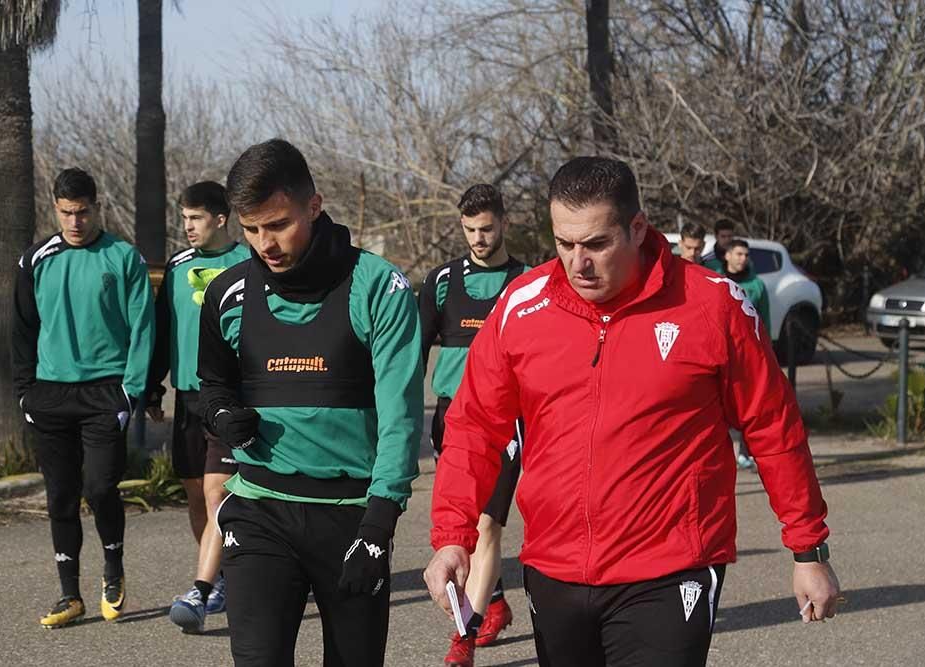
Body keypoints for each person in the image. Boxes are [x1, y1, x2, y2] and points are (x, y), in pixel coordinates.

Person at [424, 157, 840, 666]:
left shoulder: (712, 305)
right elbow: (474, 428)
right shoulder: (521, 305)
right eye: (564, 243)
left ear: (638, 228)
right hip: (554, 567)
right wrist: (451, 537)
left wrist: (807, 549)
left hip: (671, 567)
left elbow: (773, 426)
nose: (579, 263)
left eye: (597, 244)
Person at [197, 139, 424, 666]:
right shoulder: (228, 292)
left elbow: (401, 419)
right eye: (251, 229)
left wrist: (378, 528)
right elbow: (212, 387)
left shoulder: (379, 288)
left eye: (277, 225)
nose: (264, 244)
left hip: (349, 519)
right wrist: (222, 415)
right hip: (258, 510)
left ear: (314, 206)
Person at [13, 168, 155, 628]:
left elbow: (142, 330)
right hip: (49, 394)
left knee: (98, 487)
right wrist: (25, 393)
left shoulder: (123, 257)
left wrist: (131, 393)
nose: (75, 222)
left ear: (98, 206)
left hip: (105, 393)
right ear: (54, 208)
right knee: (60, 496)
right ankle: (68, 594)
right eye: (66, 213)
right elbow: (22, 329)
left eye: (83, 212)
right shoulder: (36, 259)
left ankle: (113, 571)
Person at [418, 184, 529, 666]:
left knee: (486, 525)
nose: (479, 238)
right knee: (465, 519)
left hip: (506, 418)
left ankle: (464, 637)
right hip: (451, 415)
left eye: (486, 228)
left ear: (504, 223)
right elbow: (416, 348)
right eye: (470, 230)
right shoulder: (441, 280)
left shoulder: (528, 281)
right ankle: (495, 603)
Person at [144, 182, 249, 633]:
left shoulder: (249, 262)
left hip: (227, 396)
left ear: (221, 218)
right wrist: (152, 387)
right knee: (196, 498)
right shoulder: (178, 265)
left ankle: (205, 586)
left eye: (195, 218)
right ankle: (222, 575)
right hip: (186, 397)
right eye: (184, 218)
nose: (187, 226)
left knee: (216, 495)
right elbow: (162, 329)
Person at [715, 238, 771, 471]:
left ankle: (747, 452)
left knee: (749, 406)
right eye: (738, 254)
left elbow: (764, 321)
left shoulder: (757, 285)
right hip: (719, 353)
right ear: (727, 255)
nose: (743, 258)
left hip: (746, 356)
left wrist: (766, 352)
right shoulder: (715, 280)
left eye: (746, 255)